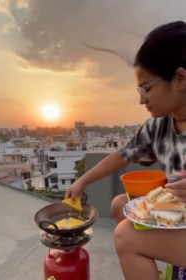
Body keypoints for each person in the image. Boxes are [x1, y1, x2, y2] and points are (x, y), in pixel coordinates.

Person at [66, 21, 186, 280]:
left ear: (180, 78)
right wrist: (82, 180)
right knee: (121, 204)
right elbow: (122, 155)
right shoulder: (158, 127)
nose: (142, 99)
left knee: (125, 237)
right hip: (180, 216)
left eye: (146, 88)